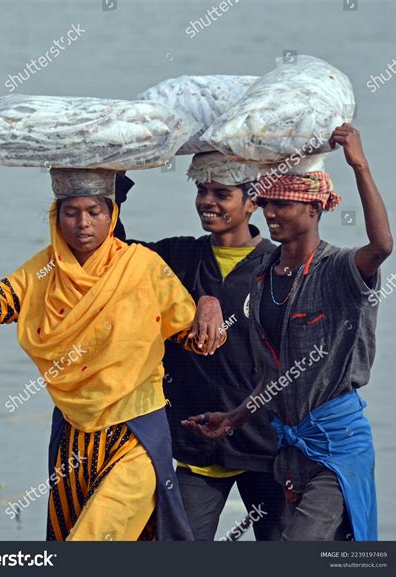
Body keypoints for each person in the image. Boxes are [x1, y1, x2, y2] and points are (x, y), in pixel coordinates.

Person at [0, 167, 219, 541]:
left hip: (136, 433)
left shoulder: (142, 267)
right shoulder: (43, 272)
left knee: (91, 537)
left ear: (112, 215)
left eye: (94, 212)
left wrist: (208, 302)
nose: (83, 224)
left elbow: (198, 339)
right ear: (57, 216)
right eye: (71, 213)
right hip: (73, 438)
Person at [182, 124, 393, 541]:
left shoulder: (339, 270)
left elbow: (382, 246)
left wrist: (360, 165)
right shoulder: (263, 276)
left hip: (336, 445)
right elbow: (273, 376)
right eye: (268, 204)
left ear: (314, 208)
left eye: (284, 205)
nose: (271, 213)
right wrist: (232, 420)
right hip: (290, 451)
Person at [120, 152, 290, 541]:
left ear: (252, 202)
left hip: (266, 448)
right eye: (202, 190)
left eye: (222, 193)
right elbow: (114, 253)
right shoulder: (178, 256)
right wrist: (114, 181)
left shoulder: (279, 266)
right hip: (194, 446)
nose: (207, 201)